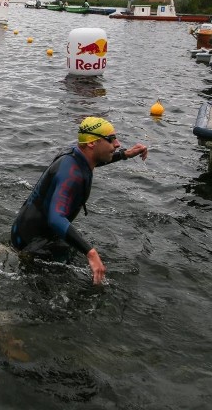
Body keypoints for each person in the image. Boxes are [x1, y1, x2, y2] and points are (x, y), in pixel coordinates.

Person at [10, 116, 148, 285]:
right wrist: (91, 253)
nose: (117, 144)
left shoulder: (77, 156)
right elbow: (56, 218)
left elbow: (93, 162)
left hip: (31, 233)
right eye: (111, 139)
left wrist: (126, 154)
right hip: (32, 243)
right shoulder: (71, 174)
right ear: (92, 143)